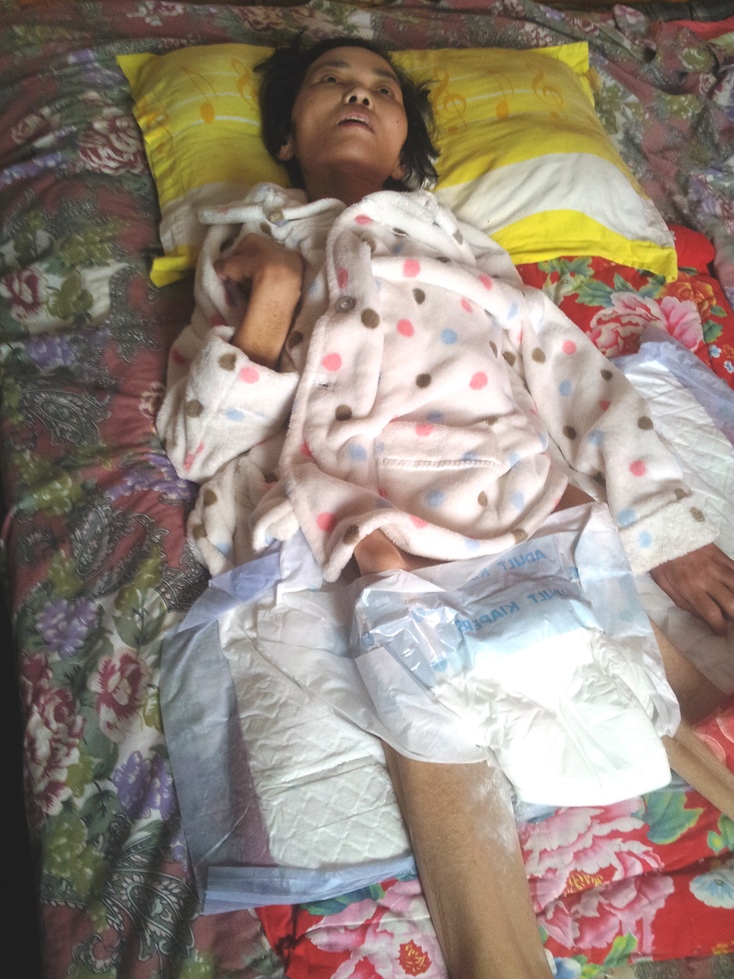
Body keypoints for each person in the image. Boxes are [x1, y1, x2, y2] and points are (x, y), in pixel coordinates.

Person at [157, 36, 734, 979]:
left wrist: (666, 526)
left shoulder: (455, 240)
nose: (358, 94)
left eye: (381, 89)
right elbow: (197, 445)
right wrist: (274, 296)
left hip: (513, 484)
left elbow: (571, 370)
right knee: (432, 724)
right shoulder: (250, 239)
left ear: (405, 144)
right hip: (362, 519)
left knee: (661, 689)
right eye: (331, 81)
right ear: (289, 137)